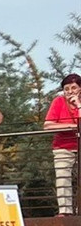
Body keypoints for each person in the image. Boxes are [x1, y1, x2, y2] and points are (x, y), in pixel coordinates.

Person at [45, 73, 80, 215]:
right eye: (66, 89)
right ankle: (65, 211)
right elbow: (48, 125)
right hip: (63, 146)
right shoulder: (58, 102)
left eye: (74, 88)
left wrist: (78, 105)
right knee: (62, 177)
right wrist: (72, 126)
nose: (70, 92)